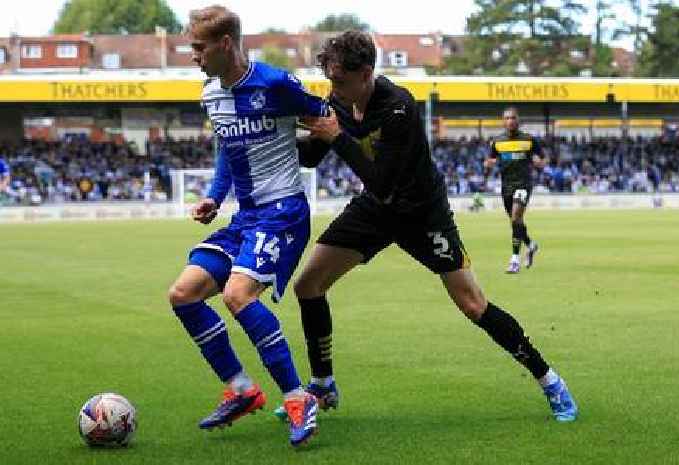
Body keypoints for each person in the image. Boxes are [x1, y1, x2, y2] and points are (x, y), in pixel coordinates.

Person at [281, 31, 577, 423]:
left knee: (473, 304)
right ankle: (323, 382)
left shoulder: (398, 107)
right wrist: (274, 135)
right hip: (376, 210)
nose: (333, 88)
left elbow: (382, 179)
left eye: (339, 80)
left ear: (366, 72)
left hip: (422, 214)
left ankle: (550, 380)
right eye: (331, 80)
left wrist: (335, 136)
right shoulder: (340, 101)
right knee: (308, 286)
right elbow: (314, 156)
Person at [166, 5, 328, 446]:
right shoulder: (211, 94)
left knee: (237, 295)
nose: (193, 56)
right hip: (246, 217)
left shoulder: (275, 83)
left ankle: (299, 398)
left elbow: (327, 119)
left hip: (284, 213)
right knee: (183, 294)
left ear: (224, 44)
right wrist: (215, 197)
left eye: (198, 48)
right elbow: (226, 149)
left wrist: (333, 150)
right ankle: (242, 390)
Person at [484, 107, 547, 273]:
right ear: (503, 121)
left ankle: (514, 260)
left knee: (516, 216)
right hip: (506, 187)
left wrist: (539, 163)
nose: (510, 121)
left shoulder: (529, 140)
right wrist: (487, 166)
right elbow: (489, 161)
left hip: (523, 184)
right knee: (516, 222)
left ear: (518, 120)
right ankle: (531, 245)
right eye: (507, 118)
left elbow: (543, 159)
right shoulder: (497, 142)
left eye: (513, 118)